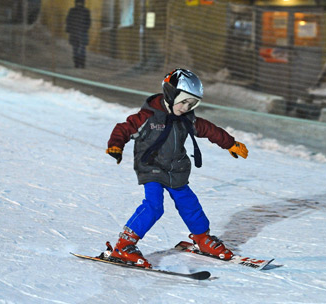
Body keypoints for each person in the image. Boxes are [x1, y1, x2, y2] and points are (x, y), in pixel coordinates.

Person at [105, 69, 249, 268]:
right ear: (171, 94)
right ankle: (124, 245)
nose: (187, 107)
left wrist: (230, 143)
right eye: (184, 101)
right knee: (154, 205)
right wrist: (116, 145)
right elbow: (124, 128)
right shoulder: (148, 116)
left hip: (176, 168)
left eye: (192, 103)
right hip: (151, 166)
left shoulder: (186, 119)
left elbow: (209, 129)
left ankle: (201, 238)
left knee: (189, 202)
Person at [65, 0, 91, 68]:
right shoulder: (86, 11)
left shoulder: (72, 10)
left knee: (76, 49)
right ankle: (81, 64)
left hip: (75, 32)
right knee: (81, 49)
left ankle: (77, 63)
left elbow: (68, 21)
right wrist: (85, 29)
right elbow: (88, 22)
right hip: (82, 32)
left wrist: (68, 30)